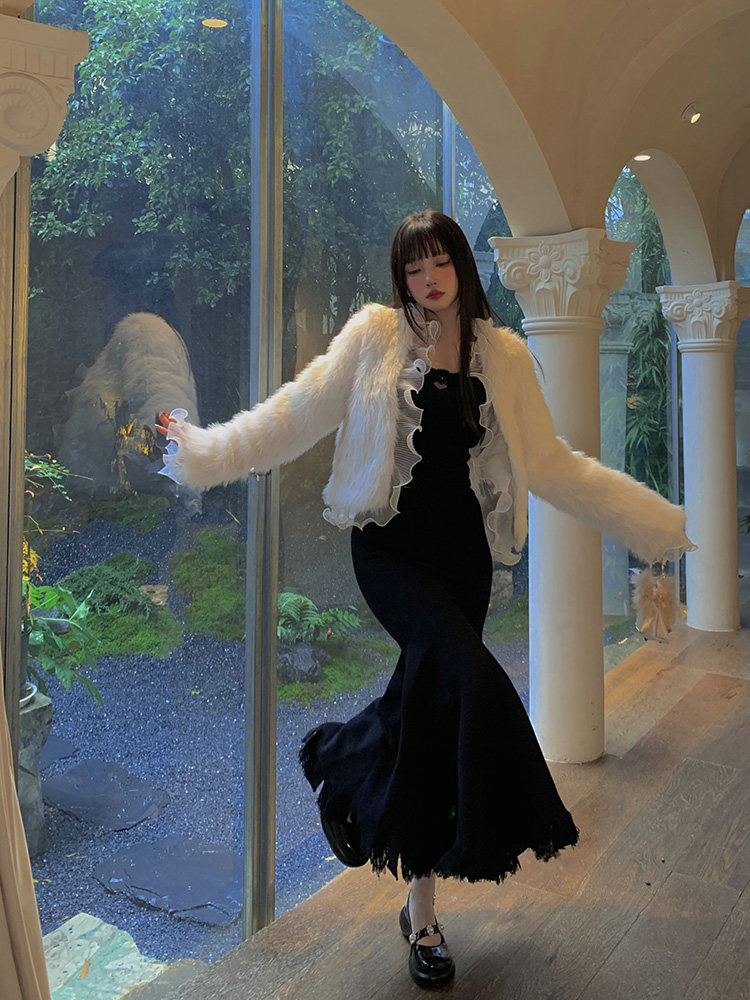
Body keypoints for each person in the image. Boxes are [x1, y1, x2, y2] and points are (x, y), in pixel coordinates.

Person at [156, 209, 694, 989]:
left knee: (431, 715)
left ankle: (421, 909)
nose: (427, 279)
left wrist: (651, 522)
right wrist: (204, 450)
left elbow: (551, 464)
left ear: (462, 266)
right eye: (412, 267)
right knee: (469, 680)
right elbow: (294, 414)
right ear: (399, 278)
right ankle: (361, 773)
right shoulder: (374, 337)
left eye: (439, 262)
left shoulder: (504, 356)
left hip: (463, 559)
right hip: (389, 549)